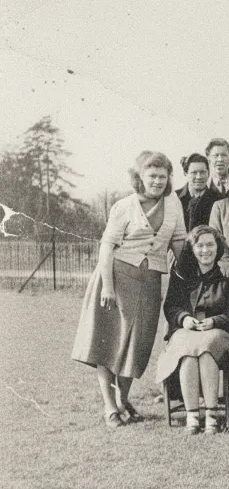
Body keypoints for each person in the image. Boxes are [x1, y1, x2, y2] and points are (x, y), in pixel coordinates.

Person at [72, 151, 186, 429]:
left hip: (150, 282)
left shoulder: (174, 205)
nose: (157, 181)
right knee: (109, 342)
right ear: (140, 178)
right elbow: (107, 247)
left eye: (163, 176)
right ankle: (110, 407)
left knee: (137, 345)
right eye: (152, 176)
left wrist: (185, 277)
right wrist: (108, 288)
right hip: (116, 279)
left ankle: (123, 399)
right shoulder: (124, 205)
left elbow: (179, 242)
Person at [155, 226, 229, 435]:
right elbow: (171, 306)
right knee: (188, 350)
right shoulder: (182, 276)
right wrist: (184, 319)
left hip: (218, 331)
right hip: (187, 330)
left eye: (210, 245)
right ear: (192, 248)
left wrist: (215, 321)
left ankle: (211, 414)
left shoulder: (228, 275)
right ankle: (192, 414)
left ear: (218, 248)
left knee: (206, 347)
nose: (205, 250)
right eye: (199, 245)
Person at [176, 153, 222, 231]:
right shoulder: (174, 197)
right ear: (185, 173)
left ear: (208, 173)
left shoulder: (219, 200)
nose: (199, 177)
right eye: (194, 173)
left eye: (202, 172)